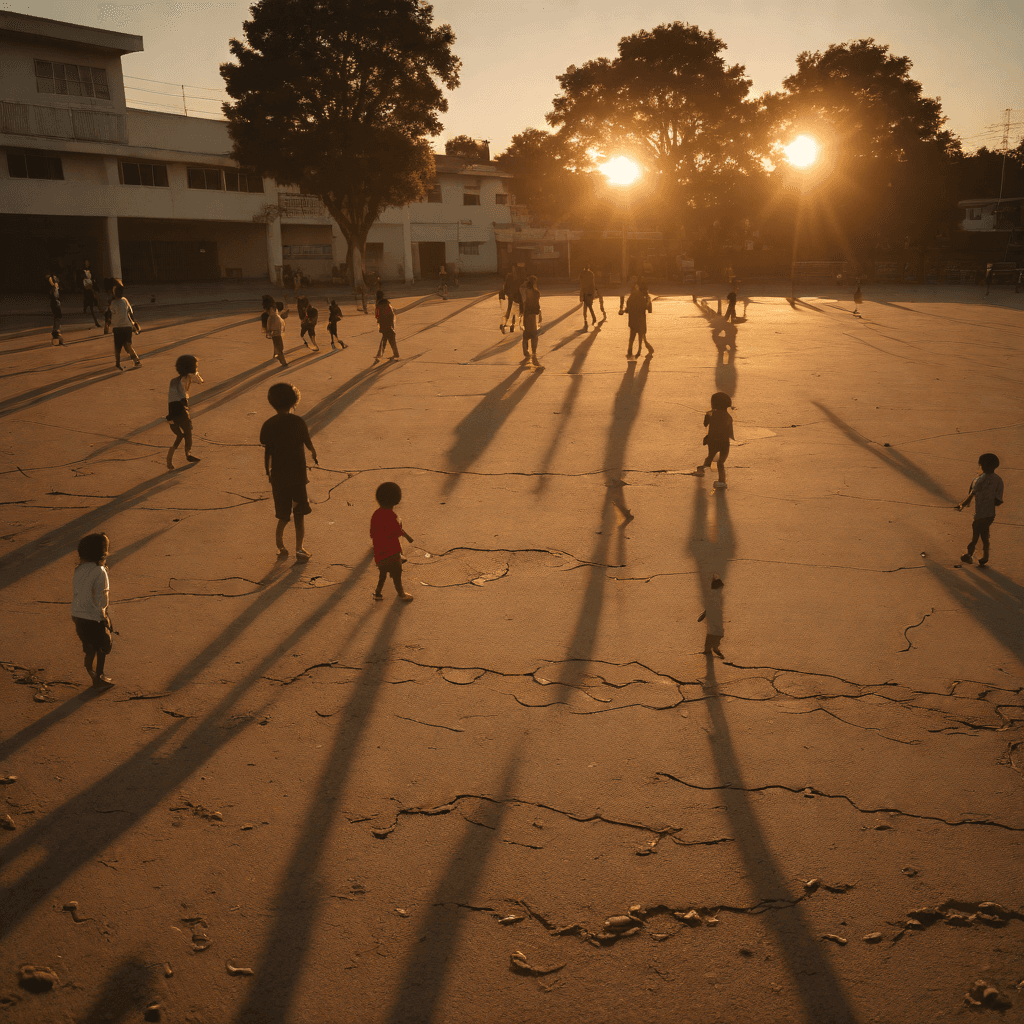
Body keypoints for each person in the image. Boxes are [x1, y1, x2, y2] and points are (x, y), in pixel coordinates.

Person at [260, 382, 317, 562]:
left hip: (278, 477)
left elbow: (267, 449)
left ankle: (280, 546)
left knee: (283, 514)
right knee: (299, 514)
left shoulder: (269, 424)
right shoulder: (298, 422)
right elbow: (308, 442)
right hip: (298, 476)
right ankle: (299, 549)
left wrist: (268, 473)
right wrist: (314, 454)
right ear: (294, 401)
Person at [72, 532, 114, 686]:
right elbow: (101, 596)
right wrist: (103, 616)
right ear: (102, 553)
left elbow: (79, 592)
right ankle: (98, 676)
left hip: (78, 614)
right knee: (102, 646)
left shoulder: (80, 569)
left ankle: (94, 673)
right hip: (94, 616)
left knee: (90, 647)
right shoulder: (99, 571)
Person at [956, 453, 1004, 566]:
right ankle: (984, 556)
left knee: (977, 534)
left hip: (983, 513)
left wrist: (963, 504)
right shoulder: (997, 480)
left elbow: (972, 494)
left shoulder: (979, 480)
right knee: (983, 535)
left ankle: (970, 554)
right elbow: (998, 500)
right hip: (988, 513)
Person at [371, 481, 415, 602]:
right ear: (397, 500)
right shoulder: (391, 516)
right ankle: (401, 594)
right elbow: (397, 531)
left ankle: (377, 593)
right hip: (391, 553)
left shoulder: (376, 514)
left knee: (382, 576)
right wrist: (408, 537)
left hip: (379, 554)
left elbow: (372, 533)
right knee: (397, 575)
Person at [166, 354, 204, 470]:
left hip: (172, 413)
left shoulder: (174, 381)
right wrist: (187, 410)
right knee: (188, 434)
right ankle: (188, 454)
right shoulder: (186, 379)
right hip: (181, 411)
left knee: (179, 436)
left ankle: (169, 460)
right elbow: (183, 396)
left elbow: (171, 398)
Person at [697, 391, 734, 488]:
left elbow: (705, 424)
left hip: (714, 441)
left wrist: (707, 437)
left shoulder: (710, 414)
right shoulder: (728, 417)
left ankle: (702, 469)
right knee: (720, 462)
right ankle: (721, 481)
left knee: (712, 458)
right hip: (724, 443)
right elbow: (729, 431)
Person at [110, 284, 142, 370]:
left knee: (118, 347)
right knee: (127, 345)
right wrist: (133, 323)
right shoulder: (124, 300)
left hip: (119, 327)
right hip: (126, 326)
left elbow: (109, 314)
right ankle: (136, 360)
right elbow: (130, 312)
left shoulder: (113, 303)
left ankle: (118, 363)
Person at [697, 574, 725, 657]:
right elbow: (710, 606)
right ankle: (713, 648)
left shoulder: (715, 594)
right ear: (718, 587)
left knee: (712, 633)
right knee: (717, 633)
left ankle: (708, 649)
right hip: (714, 618)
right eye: (721, 587)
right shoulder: (715, 595)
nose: (722, 589)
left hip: (714, 617)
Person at [625, 281, 653, 359]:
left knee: (632, 337)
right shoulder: (642, 297)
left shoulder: (631, 296)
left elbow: (627, 308)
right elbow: (647, 308)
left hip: (633, 320)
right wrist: (648, 301)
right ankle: (641, 350)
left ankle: (630, 351)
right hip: (640, 320)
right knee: (641, 337)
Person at [521, 275, 543, 367]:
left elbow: (521, 289)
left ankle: (526, 352)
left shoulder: (525, 291)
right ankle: (533, 353)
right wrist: (540, 314)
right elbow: (538, 304)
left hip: (527, 314)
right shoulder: (536, 292)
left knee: (527, 333)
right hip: (533, 315)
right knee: (534, 334)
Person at [374, 290, 399, 360]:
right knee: (388, 339)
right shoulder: (386, 303)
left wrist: (380, 320)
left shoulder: (379, 304)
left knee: (388, 339)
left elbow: (377, 315)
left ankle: (381, 354)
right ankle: (381, 354)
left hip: (384, 323)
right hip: (387, 323)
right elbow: (391, 314)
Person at [267, 300, 289, 367]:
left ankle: (276, 355)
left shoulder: (277, 316)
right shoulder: (271, 317)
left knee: (279, 346)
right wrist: (269, 332)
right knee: (279, 347)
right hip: (275, 334)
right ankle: (283, 362)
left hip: (278, 333)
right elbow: (269, 325)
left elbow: (282, 322)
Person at [499, 266, 520, 333]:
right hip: (514, 295)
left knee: (509, 310)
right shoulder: (516, 277)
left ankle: (505, 324)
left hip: (510, 295)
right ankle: (511, 325)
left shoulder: (509, 276)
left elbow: (505, 286)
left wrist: (505, 293)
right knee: (512, 310)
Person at [81, 261, 101, 328]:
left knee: (94, 304)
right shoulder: (83, 272)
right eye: (86, 263)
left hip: (91, 289)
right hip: (88, 290)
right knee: (92, 306)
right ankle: (96, 321)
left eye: (87, 263)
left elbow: (92, 278)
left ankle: (96, 320)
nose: (87, 264)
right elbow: (83, 281)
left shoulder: (90, 271)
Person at [579, 262, 597, 331]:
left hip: (584, 293)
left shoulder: (582, 274)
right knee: (589, 306)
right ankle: (593, 317)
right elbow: (593, 284)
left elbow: (581, 284)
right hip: (590, 292)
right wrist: (593, 293)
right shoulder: (591, 273)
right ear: (589, 267)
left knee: (585, 307)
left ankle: (586, 320)